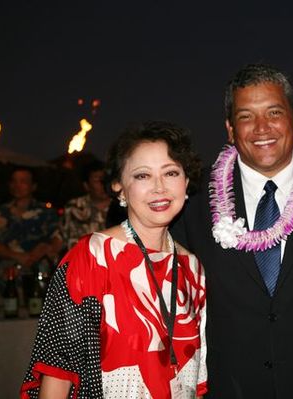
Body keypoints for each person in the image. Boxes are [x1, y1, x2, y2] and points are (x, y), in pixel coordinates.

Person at [172, 64, 293, 398]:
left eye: (273, 112)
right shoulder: (193, 199)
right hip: (228, 389)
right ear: (229, 129)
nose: (261, 128)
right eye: (245, 116)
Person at [21, 121, 207, 399]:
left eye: (170, 173)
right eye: (142, 176)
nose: (159, 187)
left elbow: (198, 374)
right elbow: (57, 371)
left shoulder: (192, 268)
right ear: (119, 187)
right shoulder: (91, 258)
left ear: (186, 182)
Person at [0, 166, 62, 276]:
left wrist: (35, 255)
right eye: (14, 181)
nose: (17, 186)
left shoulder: (46, 212)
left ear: (33, 186)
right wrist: (15, 255)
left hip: (39, 271)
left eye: (23, 181)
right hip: (6, 272)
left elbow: (57, 238)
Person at [60, 160, 111, 250]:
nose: (102, 184)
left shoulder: (122, 207)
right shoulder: (74, 207)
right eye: (96, 180)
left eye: (104, 179)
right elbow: (60, 236)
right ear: (86, 185)